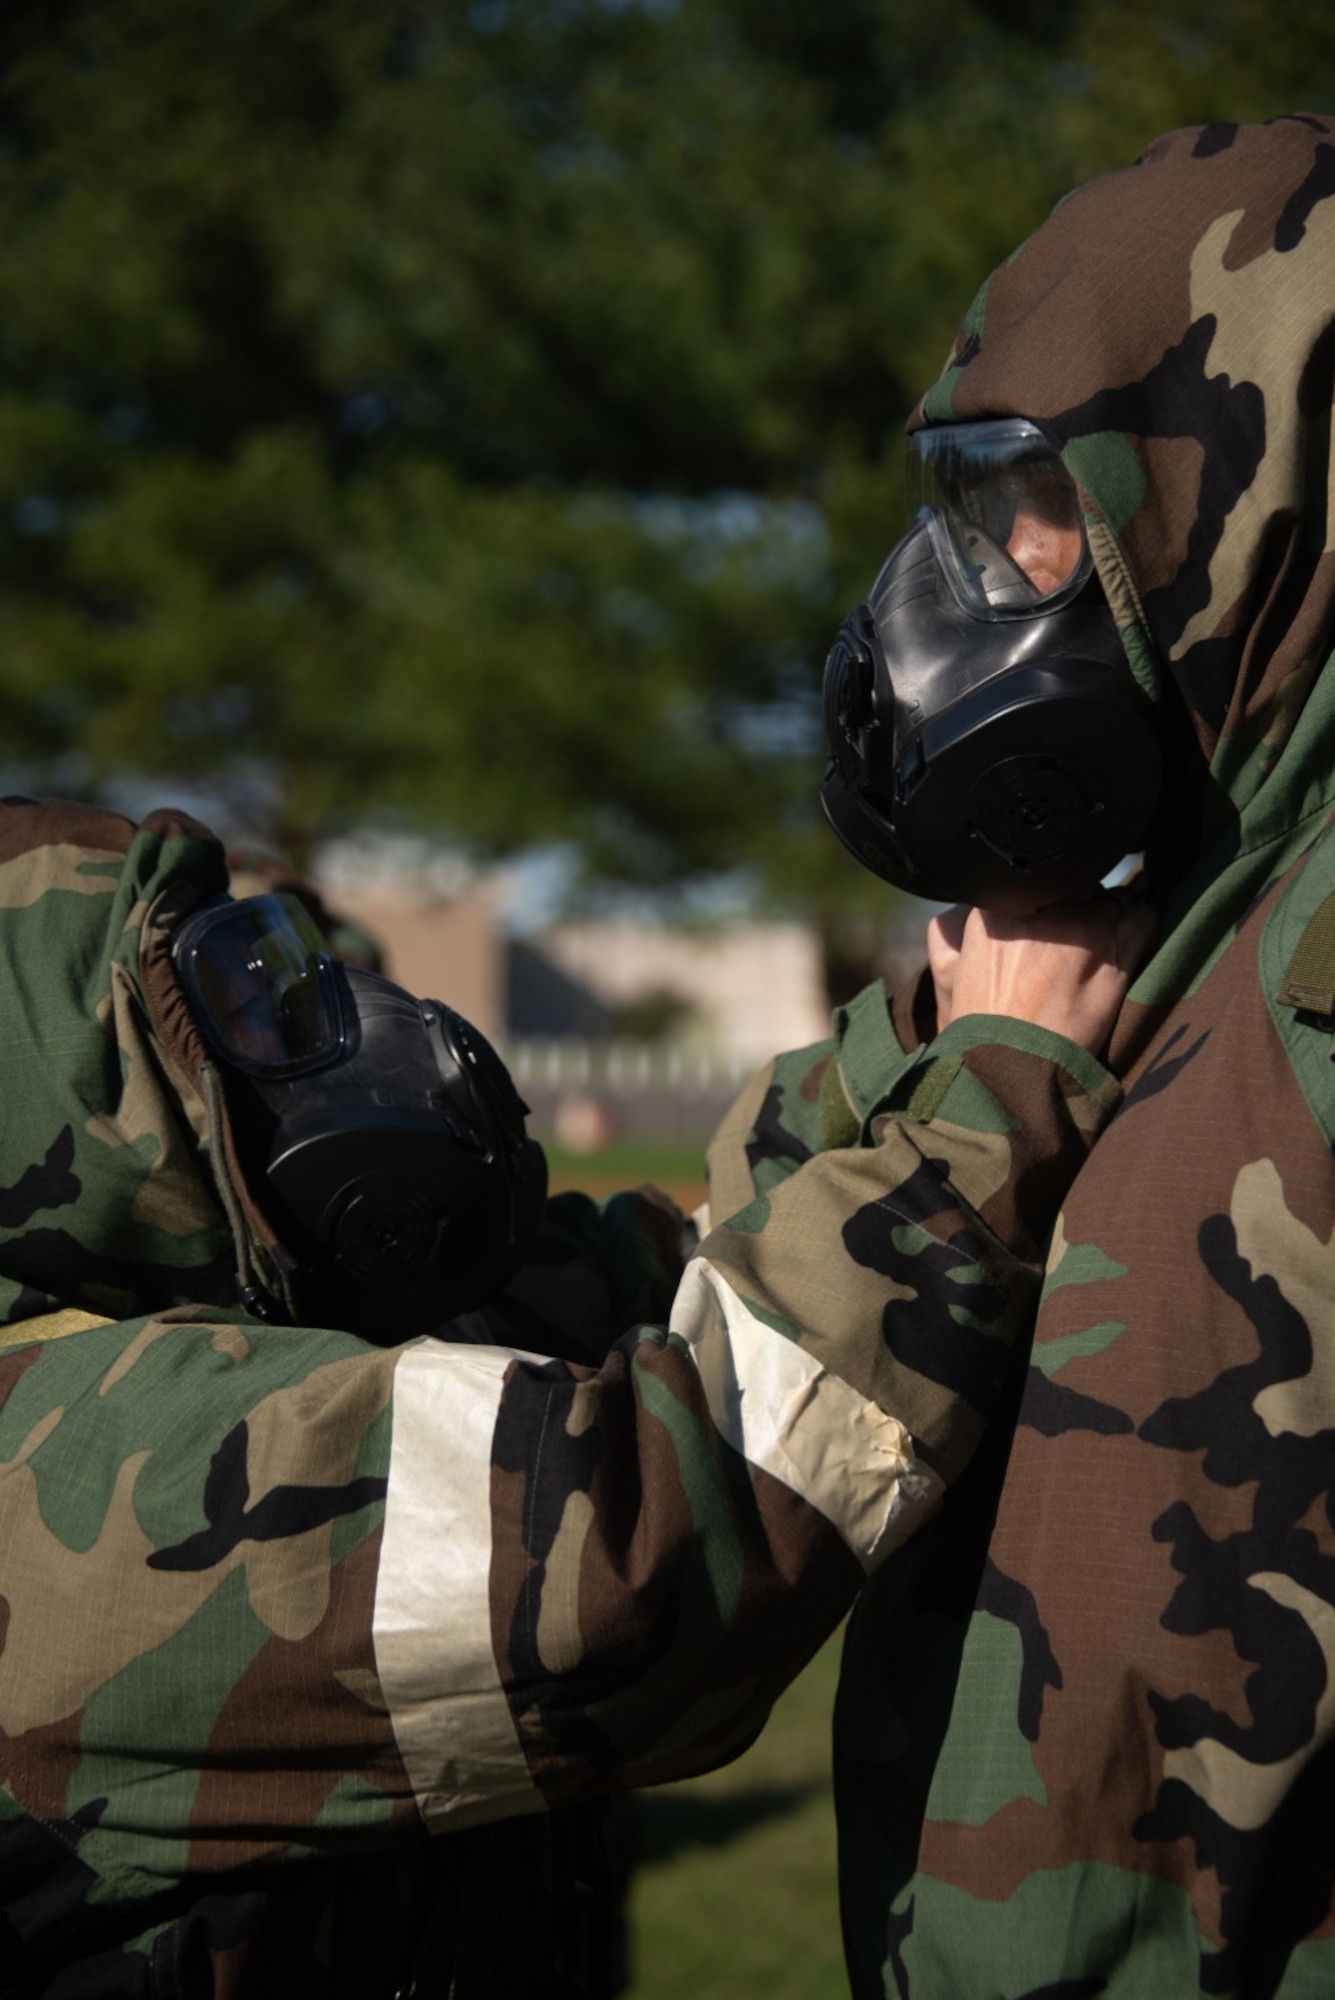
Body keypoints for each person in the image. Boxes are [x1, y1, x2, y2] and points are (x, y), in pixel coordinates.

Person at [0, 794, 1133, 1997]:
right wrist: (986, 1109)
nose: (305, 1020)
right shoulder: (62, 1470)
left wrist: (924, 1037)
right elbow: (638, 1542)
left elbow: (673, 1271)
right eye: (220, 1001)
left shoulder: (254, 1324)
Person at [707, 113, 1335, 1997]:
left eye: (1041, 501)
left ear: (1246, 474)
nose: (996, 580)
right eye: (981, 509)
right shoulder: (1188, 913)